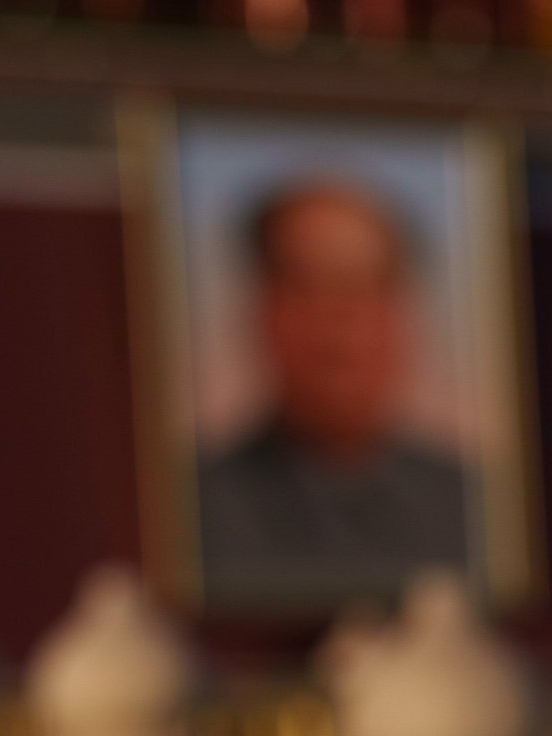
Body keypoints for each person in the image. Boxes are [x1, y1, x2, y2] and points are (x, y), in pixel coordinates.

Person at [193, 176, 474, 612]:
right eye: (304, 286)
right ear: (261, 311)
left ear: (403, 317)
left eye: (362, 287)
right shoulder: (201, 505)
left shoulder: (471, 504)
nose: (336, 320)